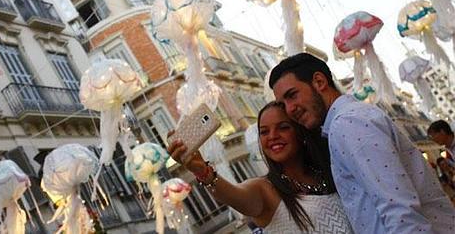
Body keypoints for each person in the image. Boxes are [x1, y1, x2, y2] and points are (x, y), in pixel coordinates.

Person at [269, 52, 455, 233]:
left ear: (319, 82)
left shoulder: (348, 123)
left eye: (292, 95)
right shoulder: (347, 121)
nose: (290, 109)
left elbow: (399, 211)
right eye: (283, 103)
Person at [167, 101, 353, 233]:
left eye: (283, 127)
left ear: (300, 132)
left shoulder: (330, 171)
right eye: (264, 132)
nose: (272, 136)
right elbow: (233, 194)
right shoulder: (264, 189)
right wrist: (203, 172)